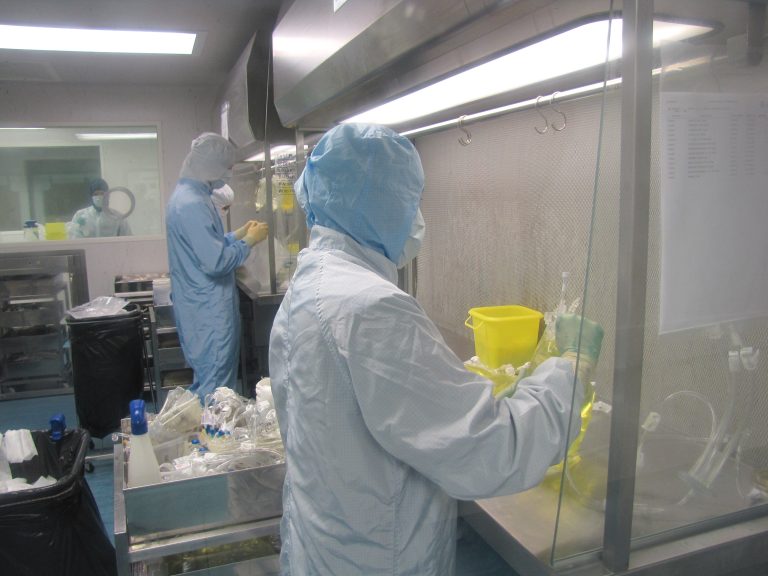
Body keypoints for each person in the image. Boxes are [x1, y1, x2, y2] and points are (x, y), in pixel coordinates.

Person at [268, 123, 604, 575]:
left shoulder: (312, 283)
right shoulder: (371, 308)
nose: (416, 215)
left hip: (328, 548)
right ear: (380, 203)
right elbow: (488, 450)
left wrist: (501, 393)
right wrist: (571, 370)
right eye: (410, 199)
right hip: (377, 560)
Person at [166, 133, 268, 400]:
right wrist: (249, 242)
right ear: (211, 165)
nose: (229, 173)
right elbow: (216, 262)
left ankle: (209, 423)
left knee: (210, 383)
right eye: (227, 167)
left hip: (200, 308)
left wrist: (238, 235)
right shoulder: (193, 203)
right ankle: (213, 427)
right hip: (208, 312)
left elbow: (207, 245)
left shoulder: (189, 196)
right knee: (216, 391)